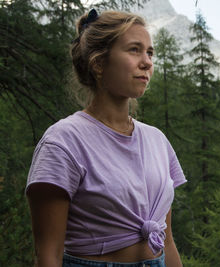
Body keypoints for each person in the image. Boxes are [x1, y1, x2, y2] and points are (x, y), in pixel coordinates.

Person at [25, 9, 187, 267]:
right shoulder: (64, 142)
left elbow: (166, 241)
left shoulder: (157, 141)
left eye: (150, 52)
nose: (147, 62)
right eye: (134, 50)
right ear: (99, 63)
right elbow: (48, 256)